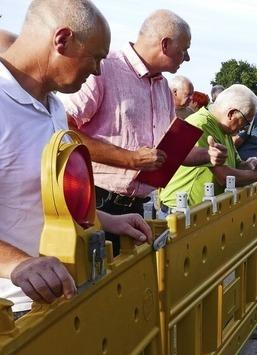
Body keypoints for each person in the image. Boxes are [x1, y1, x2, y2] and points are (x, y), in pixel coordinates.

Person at [0, 0, 152, 317]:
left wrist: (107, 220)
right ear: (63, 40)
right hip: (12, 314)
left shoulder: (54, 108)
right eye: (95, 58)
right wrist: (17, 263)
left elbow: (45, 200)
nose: (97, 70)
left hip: (61, 300)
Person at [60, 9, 227, 253]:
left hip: (138, 208)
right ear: (166, 44)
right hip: (96, 203)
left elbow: (165, 151)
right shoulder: (103, 69)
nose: (187, 58)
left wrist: (206, 156)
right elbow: (64, 130)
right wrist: (130, 159)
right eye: (184, 49)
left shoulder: (162, 87)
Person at [160, 84, 257, 208]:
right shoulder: (200, 124)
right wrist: (256, 177)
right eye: (246, 122)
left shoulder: (224, 129)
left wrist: (251, 163)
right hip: (180, 210)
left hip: (199, 209)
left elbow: (236, 164)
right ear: (232, 114)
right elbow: (223, 177)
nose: (245, 128)